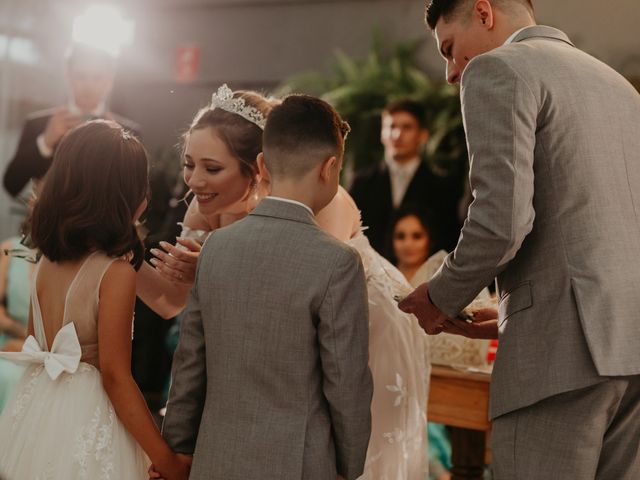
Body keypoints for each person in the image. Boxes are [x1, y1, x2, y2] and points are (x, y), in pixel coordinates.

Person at [400, 0, 640, 478]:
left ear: (483, 11)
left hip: (560, 362)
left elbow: (501, 221)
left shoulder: (497, 69)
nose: (450, 71)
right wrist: (517, 313)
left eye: (450, 48)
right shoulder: (619, 85)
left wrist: (441, 297)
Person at [159, 95, 373, 480]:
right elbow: (347, 383)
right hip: (301, 464)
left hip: (216, 457)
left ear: (260, 164)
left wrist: (178, 449)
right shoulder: (337, 261)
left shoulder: (216, 249)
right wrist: (350, 466)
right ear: (330, 168)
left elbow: (189, 365)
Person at [0, 121, 189, 480]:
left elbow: (35, 342)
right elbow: (116, 377)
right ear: (126, 195)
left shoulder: (45, 260)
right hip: (87, 419)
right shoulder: (115, 271)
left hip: (36, 412)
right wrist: (167, 461)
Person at [317, 188, 432, 480]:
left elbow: (323, 283)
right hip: (366, 320)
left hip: (374, 328)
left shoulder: (329, 200)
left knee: (374, 431)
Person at [134, 85, 274, 320]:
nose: (194, 181)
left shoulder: (297, 207)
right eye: (189, 165)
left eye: (212, 168)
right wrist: (123, 248)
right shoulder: (202, 210)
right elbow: (171, 302)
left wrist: (211, 270)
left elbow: (292, 300)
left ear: (257, 167)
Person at [3, 43, 139, 198]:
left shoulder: (128, 132)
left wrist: (116, 148)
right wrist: (45, 142)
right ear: (68, 77)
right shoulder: (38, 124)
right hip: (45, 221)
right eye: (81, 76)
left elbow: (133, 196)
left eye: (97, 77)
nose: (89, 85)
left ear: (109, 81)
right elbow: (11, 185)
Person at [349, 99, 462, 259]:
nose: (397, 135)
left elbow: (448, 240)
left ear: (423, 134)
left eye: (407, 127)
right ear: (382, 133)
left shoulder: (444, 187)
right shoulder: (361, 183)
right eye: (391, 127)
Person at [388, 207, 452, 480]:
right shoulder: (383, 278)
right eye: (401, 236)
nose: (408, 243)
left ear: (429, 240)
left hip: (435, 376)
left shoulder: (441, 282)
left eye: (416, 235)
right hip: (390, 374)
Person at [0, 236, 32, 413]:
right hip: (8, 342)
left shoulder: (64, 257)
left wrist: (28, 345)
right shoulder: (10, 249)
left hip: (45, 350)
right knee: (7, 375)